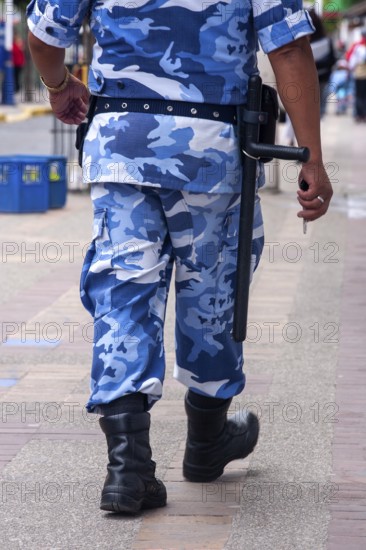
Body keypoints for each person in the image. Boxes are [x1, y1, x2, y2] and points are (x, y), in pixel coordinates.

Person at [27, 0, 333, 514]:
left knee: (125, 291)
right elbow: (289, 47)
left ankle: (129, 467)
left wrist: (59, 88)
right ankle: (207, 440)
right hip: (212, 150)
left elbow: (43, 36)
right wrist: (313, 157)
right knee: (212, 293)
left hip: (120, 145)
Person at [347, 28, 366, 122]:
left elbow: (351, 60)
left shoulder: (357, 46)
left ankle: (359, 115)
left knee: (359, 96)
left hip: (359, 75)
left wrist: (350, 70)